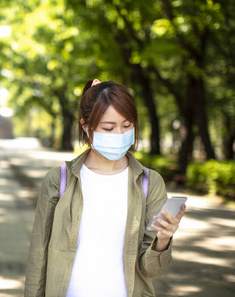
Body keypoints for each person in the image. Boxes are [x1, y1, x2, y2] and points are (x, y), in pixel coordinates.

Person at [25, 79, 186, 297]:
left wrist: (164, 240)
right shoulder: (59, 180)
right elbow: (38, 255)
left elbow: (152, 269)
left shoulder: (149, 183)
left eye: (127, 126)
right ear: (86, 126)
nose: (119, 134)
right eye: (109, 128)